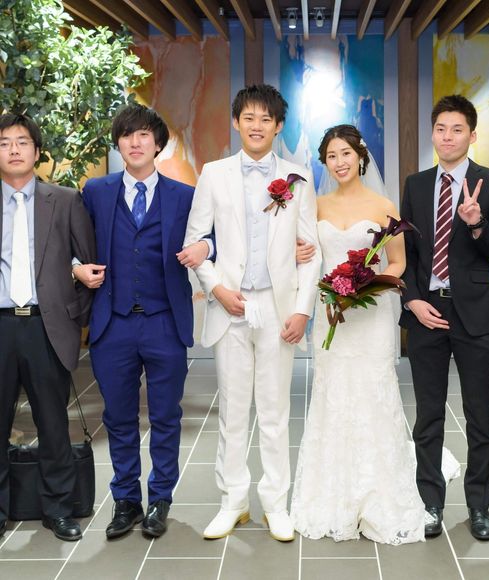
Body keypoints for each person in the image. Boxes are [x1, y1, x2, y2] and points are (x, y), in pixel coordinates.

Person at [179, 84, 321, 542]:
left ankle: (276, 504)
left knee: (276, 411)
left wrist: (302, 309)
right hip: (232, 305)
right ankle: (233, 502)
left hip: (279, 309)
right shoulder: (214, 173)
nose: (257, 126)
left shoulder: (298, 177)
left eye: (266, 119)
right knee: (233, 410)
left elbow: (311, 250)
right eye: (249, 118)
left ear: (278, 127)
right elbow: (195, 241)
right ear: (236, 122)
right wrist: (217, 288)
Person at [73, 104, 210, 539]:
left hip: (165, 321)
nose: (135, 142)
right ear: (118, 143)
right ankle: (126, 500)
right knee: (118, 417)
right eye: (127, 135)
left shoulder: (184, 196)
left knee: (166, 415)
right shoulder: (95, 191)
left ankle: (160, 498)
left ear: (158, 143)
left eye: (144, 135)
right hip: (112, 322)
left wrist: (205, 246)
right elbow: (72, 240)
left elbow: (214, 237)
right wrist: (77, 267)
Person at [290, 124, 425, 544]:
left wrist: (364, 288)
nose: (339, 162)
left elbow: (397, 263)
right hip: (332, 315)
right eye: (331, 156)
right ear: (325, 163)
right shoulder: (315, 206)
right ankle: (334, 494)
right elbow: (304, 254)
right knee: (334, 396)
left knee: (372, 393)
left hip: (371, 316)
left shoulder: (383, 205)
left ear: (361, 156)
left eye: (345, 153)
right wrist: (301, 255)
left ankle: (380, 495)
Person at [400, 95, 489, 540]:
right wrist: (411, 300)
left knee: (480, 415)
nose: (447, 137)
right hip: (427, 312)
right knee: (428, 415)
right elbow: (406, 252)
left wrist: (477, 223)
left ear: (472, 135)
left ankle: (479, 506)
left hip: (475, 313)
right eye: (441, 129)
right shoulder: (415, 184)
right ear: (432, 133)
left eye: (457, 129)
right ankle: (430, 503)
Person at [0, 113, 95, 541]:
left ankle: (58, 508)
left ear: (37, 152)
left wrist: (74, 319)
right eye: (4, 143)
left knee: (53, 424)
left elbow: (88, 263)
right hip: (1, 325)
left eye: (22, 142)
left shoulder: (65, 199)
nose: (13, 150)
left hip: (45, 328)